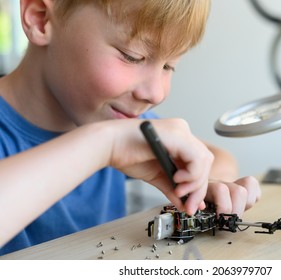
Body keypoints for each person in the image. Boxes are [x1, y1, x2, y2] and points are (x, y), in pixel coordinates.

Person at [0, 0, 261, 256]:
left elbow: (220, 158)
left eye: (169, 66)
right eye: (132, 56)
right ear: (40, 18)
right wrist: (105, 145)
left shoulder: (111, 120)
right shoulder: (109, 132)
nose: (156, 93)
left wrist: (204, 183)